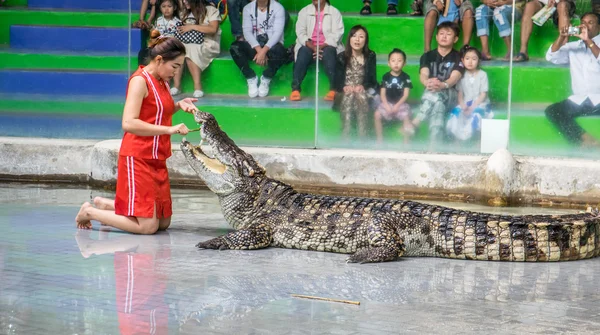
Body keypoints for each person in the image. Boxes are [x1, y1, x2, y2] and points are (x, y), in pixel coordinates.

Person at [75, 33, 199, 234]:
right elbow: (129, 122)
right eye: (174, 67)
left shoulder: (162, 80)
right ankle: (90, 212)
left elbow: (156, 111)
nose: (176, 73)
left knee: (163, 222)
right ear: (159, 60)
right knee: (148, 227)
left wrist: (178, 105)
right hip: (138, 156)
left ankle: (108, 206)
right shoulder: (140, 81)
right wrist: (169, 129)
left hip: (157, 156)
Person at [545, 12, 600, 147]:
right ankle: (584, 140)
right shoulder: (573, 47)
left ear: (599, 26)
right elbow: (552, 57)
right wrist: (561, 37)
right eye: (583, 22)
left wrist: (589, 41)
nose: (585, 26)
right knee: (552, 111)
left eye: (590, 23)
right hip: (580, 99)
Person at [413, 21, 465, 149]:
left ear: (455, 39)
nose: (444, 36)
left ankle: (417, 121)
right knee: (438, 106)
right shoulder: (427, 56)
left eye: (448, 34)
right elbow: (424, 74)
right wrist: (427, 82)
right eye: (441, 33)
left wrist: (443, 85)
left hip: (452, 96)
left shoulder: (459, 56)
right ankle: (434, 146)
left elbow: (455, 77)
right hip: (434, 94)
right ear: (436, 37)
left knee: (436, 92)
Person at [230, 0, 287, 98]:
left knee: (281, 52)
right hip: (254, 46)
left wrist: (264, 50)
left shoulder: (278, 8)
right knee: (235, 47)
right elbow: (247, 32)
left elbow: (277, 33)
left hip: (272, 46)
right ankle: (250, 77)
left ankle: (266, 77)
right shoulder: (247, 8)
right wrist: (259, 50)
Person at [290, 0, 344, 102]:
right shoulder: (304, 11)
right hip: (309, 45)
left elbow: (337, 34)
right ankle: (295, 89)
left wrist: (322, 46)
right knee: (303, 52)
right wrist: (313, 47)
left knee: (329, 53)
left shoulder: (334, 12)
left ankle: (333, 89)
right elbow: (300, 32)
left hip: (328, 45)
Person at [333, 25, 378, 140]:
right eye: (354, 36)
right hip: (344, 92)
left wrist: (363, 86)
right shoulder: (341, 57)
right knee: (348, 96)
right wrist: (344, 87)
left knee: (361, 96)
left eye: (361, 37)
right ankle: (346, 135)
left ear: (365, 40)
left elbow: (372, 78)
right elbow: (336, 80)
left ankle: (363, 135)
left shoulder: (371, 56)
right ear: (349, 39)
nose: (357, 39)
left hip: (363, 91)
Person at [171, 0, 222, 98]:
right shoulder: (184, 12)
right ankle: (177, 86)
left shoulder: (211, 10)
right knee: (178, 48)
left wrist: (192, 27)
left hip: (209, 43)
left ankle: (198, 87)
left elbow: (213, 29)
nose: (185, 2)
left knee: (190, 47)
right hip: (188, 42)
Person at [446, 46, 493, 142]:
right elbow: (460, 93)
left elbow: (483, 94)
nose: (470, 62)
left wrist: (472, 107)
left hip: (480, 103)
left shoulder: (482, 75)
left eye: (474, 59)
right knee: (456, 114)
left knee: (476, 115)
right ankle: (457, 143)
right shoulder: (461, 75)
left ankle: (477, 143)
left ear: (479, 61)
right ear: (462, 60)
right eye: (467, 59)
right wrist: (463, 106)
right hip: (465, 103)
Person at [374, 48, 414, 144]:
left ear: (404, 63)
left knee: (407, 117)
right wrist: (387, 105)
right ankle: (380, 140)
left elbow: (406, 95)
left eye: (399, 61)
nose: (396, 63)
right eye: (393, 61)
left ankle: (406, 142)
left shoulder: (406, 77)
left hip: (401, 104)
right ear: (388, 63)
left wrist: (397, 106)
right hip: (387, 103)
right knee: (377, 114)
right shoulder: (385, 77)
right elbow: (382, 94)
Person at [138, 0, 182, 66]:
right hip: (159, 45)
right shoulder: (158, 20)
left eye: (169, 6)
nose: (166, 9)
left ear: (174, 8)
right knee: (145, 52)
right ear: (160, 8)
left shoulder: (177, 22)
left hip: (171, 46)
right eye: (163, 6)